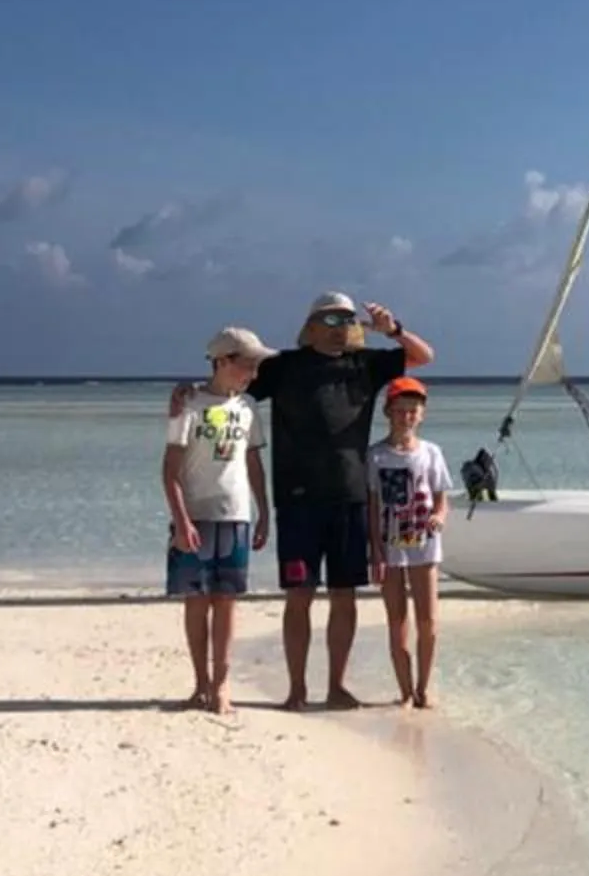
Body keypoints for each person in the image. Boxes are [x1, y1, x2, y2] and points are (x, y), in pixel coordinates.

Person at [248, 292, 434, 708]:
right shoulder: (284, 366)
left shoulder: (364, 365)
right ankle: (297, 687)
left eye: (346, 319)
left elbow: (424, 356)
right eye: (330, 319)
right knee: (299, 595)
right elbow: (235, 383)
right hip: (297, 500)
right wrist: (190, 392)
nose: (338, 327)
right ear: (311, 324)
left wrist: (394, 330)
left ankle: (336, 685)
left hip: (350, 497)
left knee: (345, 594)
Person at [161, 326, 271, 714]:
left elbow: (254, 462)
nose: (253, 374)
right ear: (223, 361)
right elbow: (169, 469)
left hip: (236, 515)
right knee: (197, 601)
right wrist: (182, 520)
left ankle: (221, 686)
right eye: (248, 365)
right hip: (197, 515)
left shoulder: (248, 407)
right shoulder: (187, 404)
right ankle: (200, 685)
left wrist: (264, 513)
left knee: (227, 602)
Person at [368, 376, 451, 706]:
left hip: (424, 545)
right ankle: (404, 690)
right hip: (390, 546)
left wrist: (441, 516)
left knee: (428, 619)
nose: (407, 416)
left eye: (413, 410)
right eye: (400, 410)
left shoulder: (431, 452)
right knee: (397, 619)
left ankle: (424, 688)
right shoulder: (375, 455)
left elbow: (442, 496)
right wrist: (375, 550)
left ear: (422, 414)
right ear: (388, 412)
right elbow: (373, 506)